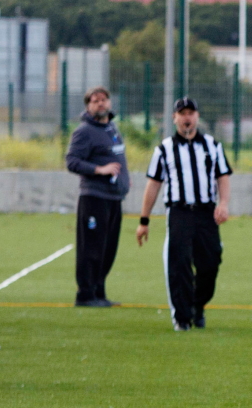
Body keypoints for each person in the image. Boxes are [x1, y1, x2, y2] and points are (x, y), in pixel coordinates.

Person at [135, 97, 231, 330]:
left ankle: (198, 306)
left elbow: (223, 175)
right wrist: (144, 220)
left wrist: (224, 203)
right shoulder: (164, 149)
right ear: (174, 118)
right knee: (180, 264)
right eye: (182, 113)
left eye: (191, 113)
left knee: (210, 263)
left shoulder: (212, 145)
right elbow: (154, 184)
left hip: (206, 212)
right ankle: (182, 316)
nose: (187, 117)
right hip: (179, 212)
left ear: (197, 116)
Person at [65, 87, 130, 307]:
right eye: (95, 101)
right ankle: (85, 295)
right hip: (94, 197)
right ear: (88, 106)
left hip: (113, 198)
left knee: (107, 248)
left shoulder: (111, 128)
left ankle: (99, 293)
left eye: (104, 100)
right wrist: (99, 170)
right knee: (91, 248)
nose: (100, 104)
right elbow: (72, 161)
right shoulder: (84, 131)